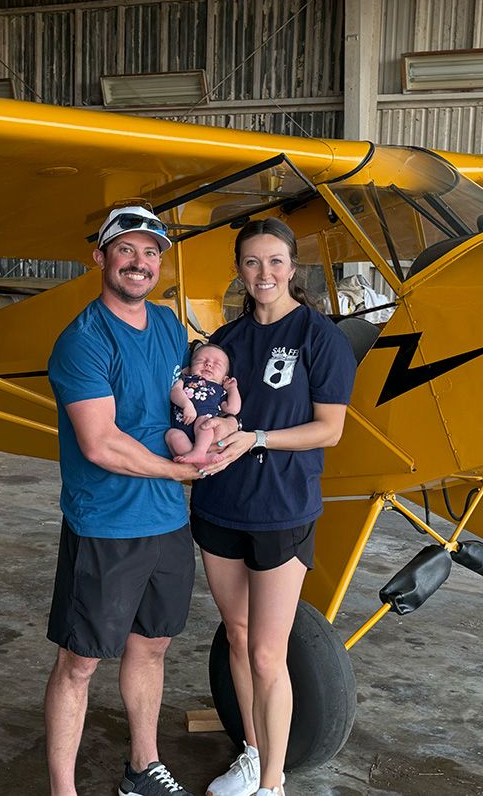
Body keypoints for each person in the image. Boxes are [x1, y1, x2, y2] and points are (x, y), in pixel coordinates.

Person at [190, 218, 357, 796]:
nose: (264, 274)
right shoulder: (224, 344)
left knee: (266, 652)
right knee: (236, 636)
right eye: (252, 262)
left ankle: (271, 784)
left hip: (283, 509)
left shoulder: (319, 337)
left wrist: (256, 438)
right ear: (239, 270)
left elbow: (329, 430)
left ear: (293, 268)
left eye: (275, 262)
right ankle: (251, 752)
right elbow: (205, 414)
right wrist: (203, 441)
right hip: (219, 505)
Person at [43, 205, 203, 796]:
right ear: (101, 258)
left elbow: (173, 393)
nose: (141, 262)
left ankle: (142, 769)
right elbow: (101, 442)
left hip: (165, 520)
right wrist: (177, 469)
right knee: (80, 661)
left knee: (153, 645)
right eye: (127, 250)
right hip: (107, 520)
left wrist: (203, 419)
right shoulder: (81, 341)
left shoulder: (166, 325)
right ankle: (64, 790)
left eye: (152, 252)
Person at [166, 343, 241, 466]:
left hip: (205, 431)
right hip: (181, 426)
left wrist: (232, 389)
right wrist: (186, 404)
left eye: (217, 364)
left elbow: (233, 409)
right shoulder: (186, 379)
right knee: (171, 435)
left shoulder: (219, 389)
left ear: (224, 378)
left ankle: (199, 451)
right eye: (201, 360)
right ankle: (198, 461)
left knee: (204, 421)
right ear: (190, 368)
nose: (208, 364)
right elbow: (175, 391)